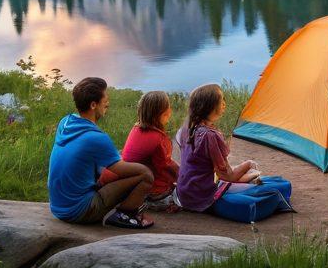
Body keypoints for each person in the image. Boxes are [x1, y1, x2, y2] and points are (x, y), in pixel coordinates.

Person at [48, 76, 154, 228]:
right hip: (80, 211)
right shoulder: (96, 138)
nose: (107, 103)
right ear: (93, 105)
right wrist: (144, 166)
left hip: (57, 206)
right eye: (105, 100)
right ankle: (125, 215)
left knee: (115, 159)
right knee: (146, 175)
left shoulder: (65, 122)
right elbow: (123, 171)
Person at [173, 83, 262, 213]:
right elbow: (227, 176)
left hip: (183, 194)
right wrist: (248, 164)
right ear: (210, 106)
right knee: (266, 190)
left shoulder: (185, 129)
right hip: (200, 197)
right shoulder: (210, 135)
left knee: (246, 179)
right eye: (221, 101)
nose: (224, 104)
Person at [120, 90, 179, 212]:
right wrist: (184, 176)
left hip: (131, 187)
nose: (170, 111)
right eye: (168, 108)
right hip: (153, 193)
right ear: (162, 114)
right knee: (188, 196)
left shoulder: (136, 129)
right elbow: (166, 167)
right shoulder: (159, 138)